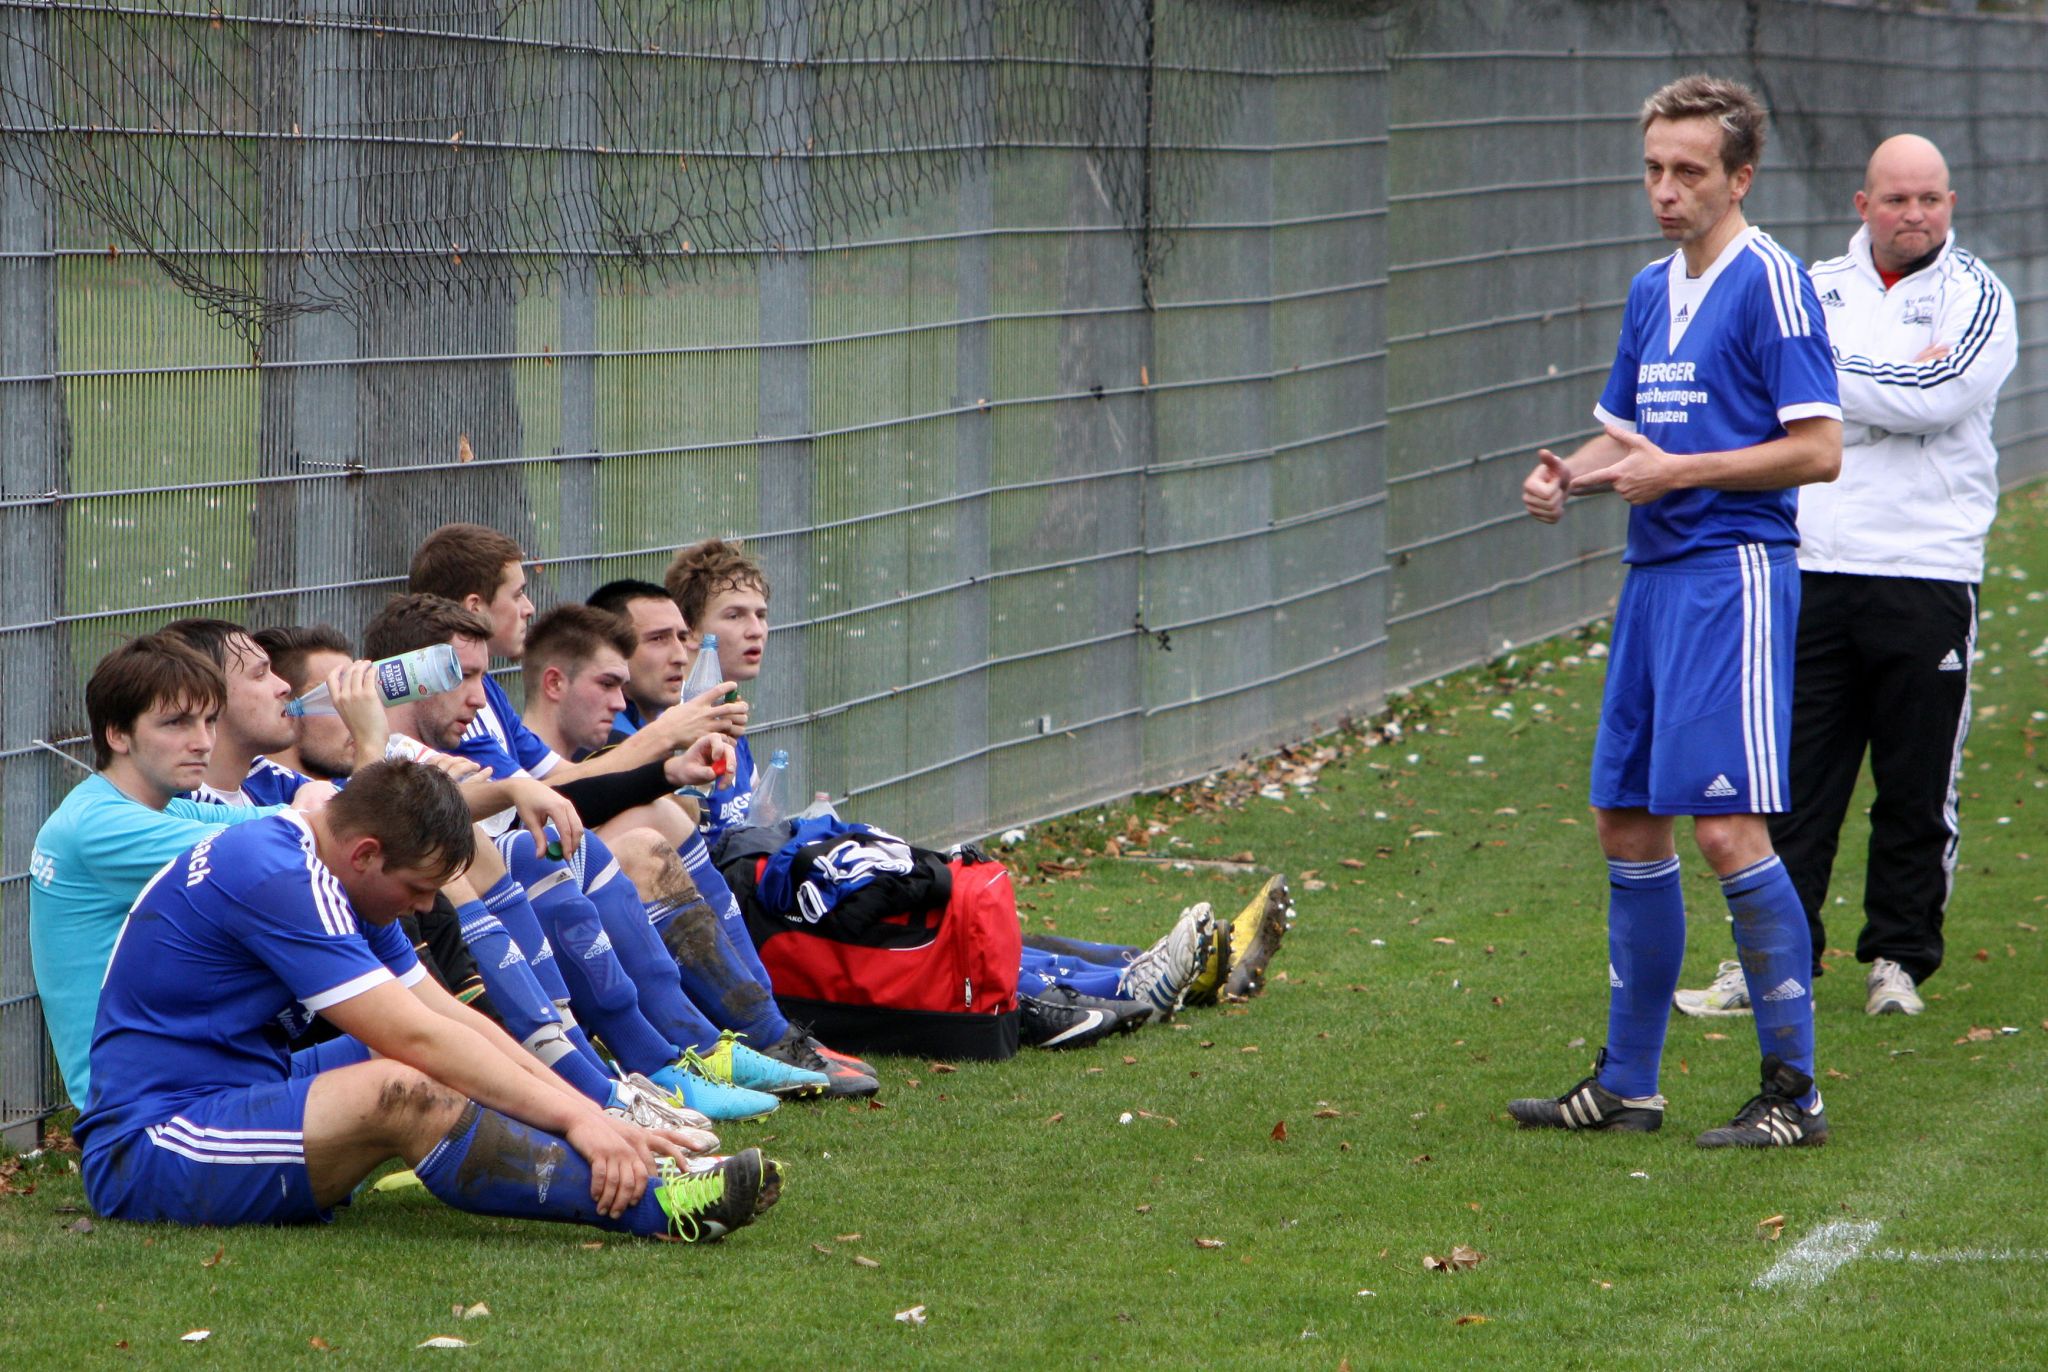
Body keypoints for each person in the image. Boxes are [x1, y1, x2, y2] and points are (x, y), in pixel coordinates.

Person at [1510, 74, 1843, 1148]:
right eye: (1653, 168)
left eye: (1687, 171)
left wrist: (1680, 471)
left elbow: (1817, 448)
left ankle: (1794, 1093)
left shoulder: (1774, 284)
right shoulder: (1651, 288)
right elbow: (1630, 443)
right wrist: (1573, 476)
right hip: (1652, 578)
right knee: (1624, 816)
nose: (1664, 189)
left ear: (1738, 177)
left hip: (1732, 574)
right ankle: (1628, 1080)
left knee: (1723, 825)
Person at [72, 759, 776, 1241]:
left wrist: (595, 1112)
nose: (428, 906)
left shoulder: (331, 873)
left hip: (242, 1087)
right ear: (366, 854)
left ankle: (638, 1153)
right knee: (400, 1086)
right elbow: (420, 1042)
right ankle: (655, 1207)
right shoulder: (271, 872)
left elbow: (448, 1018)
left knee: (450, 1052)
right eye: (419, 888)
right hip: (153, 1142)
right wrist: (583, 1123)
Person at [1675, 134, 2018, 1021]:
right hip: (1813, 564)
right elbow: (1767, 394)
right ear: (1862, 205)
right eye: (1898, 200)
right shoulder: (1812, 288)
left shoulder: (1979, 295)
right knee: (1793, 783)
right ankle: (1770, 965)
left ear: (1951, 205)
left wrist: (1823, 392)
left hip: (1927, 570)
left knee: (1914, 782)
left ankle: (1898, 961)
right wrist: (1858, 398)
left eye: (1931, 200)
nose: (1915, 215)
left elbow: (1937, 397)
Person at [28, 636, 286, 1104]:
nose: (203, 742)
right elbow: (271, 848)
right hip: (144, 1104)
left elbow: (276, 822)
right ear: (117, 734)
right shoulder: (100, 827)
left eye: (209, 721)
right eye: (176, 723)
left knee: (393, 1061)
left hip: (190, 1069)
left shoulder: (161, 810)